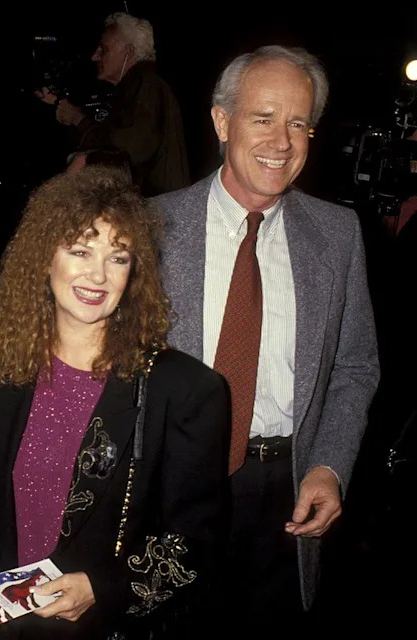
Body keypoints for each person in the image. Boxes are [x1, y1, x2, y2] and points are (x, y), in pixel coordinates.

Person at [0, 168, 229, 638]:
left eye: (118, 257)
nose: (98, 275)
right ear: (44, 258)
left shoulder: (185, 390)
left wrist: (105, 587)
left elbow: (196, 544)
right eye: (80, 251)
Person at [154, 46, 380, 635]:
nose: (283, 141)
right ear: (222, 122)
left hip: (286, 492)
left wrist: (329, 466)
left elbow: (354, 366)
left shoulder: (337, 234)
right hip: (172, 486)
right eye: (263, 118)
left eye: (299, 123)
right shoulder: (149, 227)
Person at [39, 12, 188, 195]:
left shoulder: (146, 85)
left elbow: (127, 152)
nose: (95, 56)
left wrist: (78, 121)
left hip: (155, 212)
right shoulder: (138, 86)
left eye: (104, 49)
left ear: (129, 51)